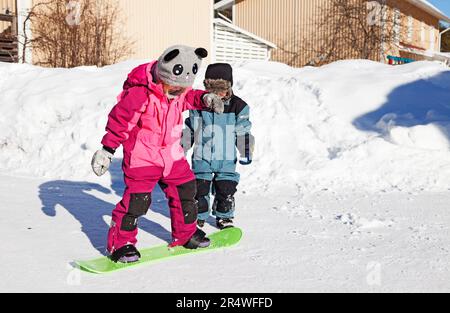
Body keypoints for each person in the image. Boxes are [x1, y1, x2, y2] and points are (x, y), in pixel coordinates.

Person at [91, 45, 225, 263]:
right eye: (173, 88)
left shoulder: (180, 92)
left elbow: (190, 97)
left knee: (185, 190)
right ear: (163, 74)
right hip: (142, 157)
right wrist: (107, 150)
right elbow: (120, 121)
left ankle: (186, 233)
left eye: (181, 89)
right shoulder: (140, 94)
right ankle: (121, 243)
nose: (177, 93)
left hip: (171, 156)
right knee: (137, 201)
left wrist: (205, 99)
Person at [183, 63, 254, 230]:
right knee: (199, 190)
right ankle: (198, 217)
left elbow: (243, 130)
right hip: (202, 157)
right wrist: (182, 147)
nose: (217, 94)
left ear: (229, 87)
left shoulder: (238, 106)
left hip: (226, 158)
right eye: (212, 89)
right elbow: (191, 128)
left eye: (221, 89)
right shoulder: (199, 105)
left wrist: (245, 150)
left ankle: (224, 217)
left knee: (226, 190)